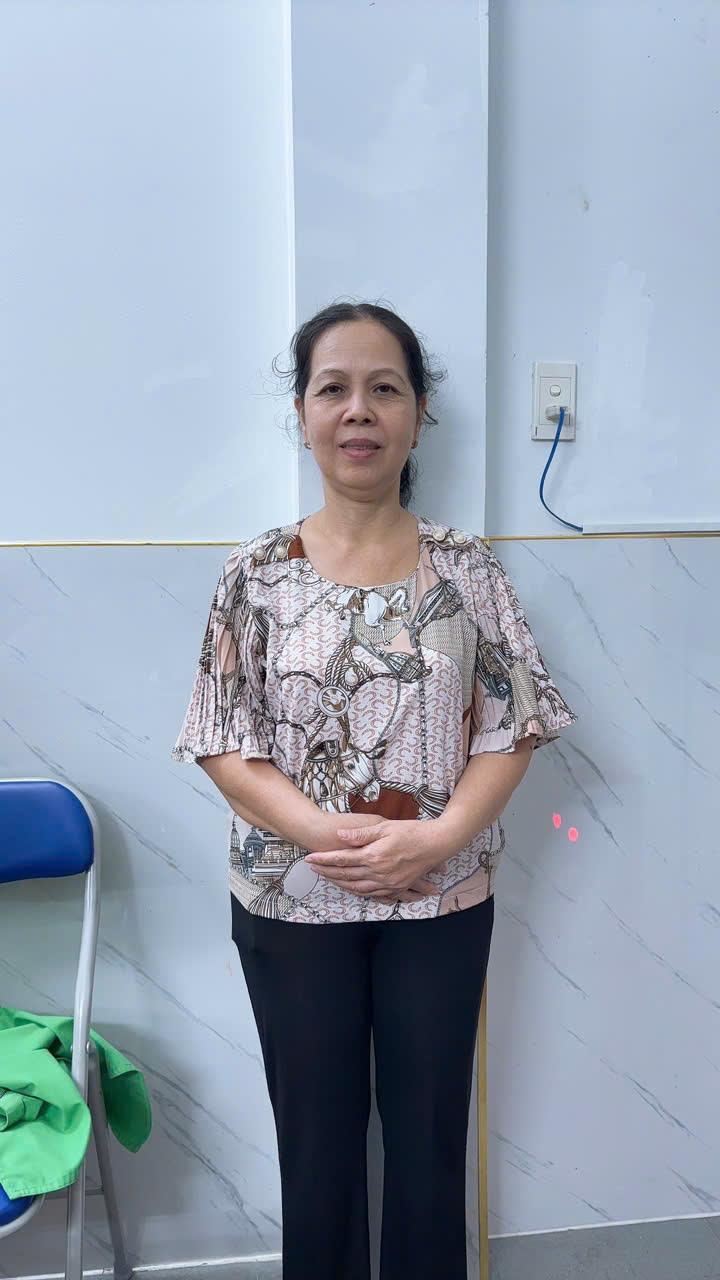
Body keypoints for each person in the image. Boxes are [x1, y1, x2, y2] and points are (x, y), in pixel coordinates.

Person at [172, 301, 578, 1279]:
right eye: (334, 388)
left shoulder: (468, 570)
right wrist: (326, 833)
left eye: (385, 388)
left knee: (430, 1145)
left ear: (419, 415)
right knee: (317, 1150)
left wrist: (437, 839)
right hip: (290, 902)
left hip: (441, 899)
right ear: (304, 414)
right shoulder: (255, 574)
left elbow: (513, 726)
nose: (359, 410)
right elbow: (222, 741)